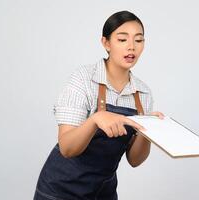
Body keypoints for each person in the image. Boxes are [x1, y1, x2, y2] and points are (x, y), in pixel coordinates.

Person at [33, 10, 164, 200]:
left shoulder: (143, 93)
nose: (131, 47)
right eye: (122, 39)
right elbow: (67, 148)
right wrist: (95, 119)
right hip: (60, 189)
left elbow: (135, 160)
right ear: (106, 43)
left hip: (103, 191)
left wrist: (149, 131)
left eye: (138, 40)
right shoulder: (83, 80)